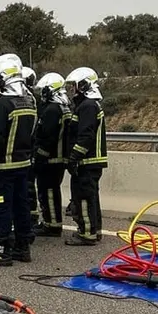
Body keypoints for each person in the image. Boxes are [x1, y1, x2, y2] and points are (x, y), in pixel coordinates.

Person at [0, 54, 37, 266]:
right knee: (21, 207)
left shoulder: (2, 104)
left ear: (3, 79)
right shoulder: (29, 102)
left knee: (0, 208)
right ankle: (23, 248)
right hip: (23, 166)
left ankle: (1, 251)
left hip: (1, 168)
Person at [64, 66, 107, 246]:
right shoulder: (89, 105)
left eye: (75, 86)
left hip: (87, 162)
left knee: (83, 197)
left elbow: (85, 135)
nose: (72, 90)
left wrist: (74, 156)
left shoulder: (88, 106)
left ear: (84, 85)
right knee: (91, 198)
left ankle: (86, 233)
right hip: (92, 162)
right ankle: (95, 230)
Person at [31, 72, 72, 237]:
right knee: (52, 191)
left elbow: (47, 136)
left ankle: (52, 225)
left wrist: (39, 157)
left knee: (48, 191)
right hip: (59, 158)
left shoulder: (52, 110)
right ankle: (51, 222)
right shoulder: (64, 107)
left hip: (50, 159)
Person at [21, 66, 41, 231]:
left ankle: (31, 216)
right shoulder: (34, 99)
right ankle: (32, 215)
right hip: (31, 147)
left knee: (28, 184)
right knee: (29, 185)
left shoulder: (28, 100)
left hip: (28, 148)